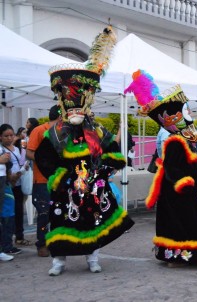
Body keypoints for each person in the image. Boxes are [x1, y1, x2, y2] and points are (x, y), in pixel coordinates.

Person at [35, 26, 134, 276]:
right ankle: (58, 261)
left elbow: (115, 154)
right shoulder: (55, 133)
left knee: (93, 222)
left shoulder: (97, 131)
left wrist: (102, 173)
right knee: (60, 220)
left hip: (92, 186)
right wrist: (62, 178)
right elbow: (43, 158)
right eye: (71, 108)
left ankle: (93, 258)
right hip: (66, 186)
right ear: (64, 107)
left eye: (80, 108)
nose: (76, 112)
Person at [125, 70, 197, 266]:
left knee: (190, 220)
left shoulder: (184, 139)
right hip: (177, 193)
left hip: (186, 191)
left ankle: (190, 254)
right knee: (180, 222)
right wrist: (184, 181)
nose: (190, 116)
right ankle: (179, 255)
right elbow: (172, 168)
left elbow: (192, 161)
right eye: (186, 112)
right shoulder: (174, 141)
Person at [26, 105, 61, 257]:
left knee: (58, 213)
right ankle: (42, 244)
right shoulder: (39, 130)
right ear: (60, 116)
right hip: (41, 180)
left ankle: (55, 242)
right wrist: (45, 162)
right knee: (44, 213)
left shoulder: (62, 132)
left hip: (58, 180)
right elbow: (29, 152)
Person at [1, 124, 29, 248]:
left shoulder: (16, 148)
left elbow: (22, 160)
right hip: (7, 183)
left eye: (11, 135)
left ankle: (19, 236)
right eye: (6, 136)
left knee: (18, 210)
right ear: (0, 137)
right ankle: (7, 242)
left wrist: (23, 169)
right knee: (8, 212)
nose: (9, 138)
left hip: (18, 182)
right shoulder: (2, 150)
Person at [1, 184, 18, 256]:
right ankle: (7, 247)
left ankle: (7, 246)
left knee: (8, 230)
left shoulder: (6, 184)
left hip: (9, 211)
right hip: (6, 213)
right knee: (7, 230)